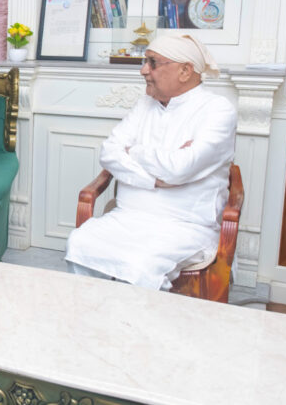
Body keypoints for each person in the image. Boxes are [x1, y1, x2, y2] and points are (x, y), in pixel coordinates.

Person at [65, 34, 237, 290]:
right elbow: (109, 153)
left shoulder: (218, 110)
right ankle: (94, 312)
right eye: (145, 62)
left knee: (140, 262)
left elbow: (179, 168)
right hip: (127, 217)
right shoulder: (145, 103)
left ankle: (137, 317)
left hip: (184, 226)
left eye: (153, 63)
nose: (143, 70)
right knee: (80, 243)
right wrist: (155, 180)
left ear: (185, 71)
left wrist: (133, 151)